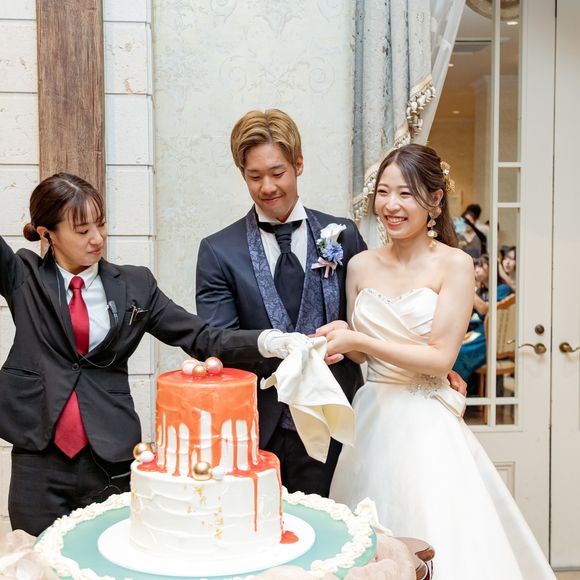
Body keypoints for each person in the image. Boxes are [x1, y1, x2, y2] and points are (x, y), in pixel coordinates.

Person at [0, 173, 305, 536]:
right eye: (82, 231)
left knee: (108, 555)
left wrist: (269, 341)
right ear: (47, 233)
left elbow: (202, 337)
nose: (97, 238)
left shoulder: (136, 285)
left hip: (110, 457)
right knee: (35, 559)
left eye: (100, 224)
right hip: (38, 460)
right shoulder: (24, 276)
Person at [321, 145, 554, 579]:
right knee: (368, 540)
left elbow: (439, 358)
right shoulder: (359, 265)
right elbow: (359, 353)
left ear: (434, 199)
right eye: (383, 192)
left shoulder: (455, 264)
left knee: (435, 530)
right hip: (370, 417)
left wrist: (360, 339)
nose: (391, 205)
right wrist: (339, 338)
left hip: (426, 422)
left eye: (406, 193)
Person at [195, 109, 367, 497]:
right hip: (257, 428)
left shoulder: (343, 235)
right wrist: (275, 345)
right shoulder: (219, 251)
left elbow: (373, 320)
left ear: (298, 164)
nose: (267, 186)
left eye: (277, 172)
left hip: (336, 420)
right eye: (254, 176)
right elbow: (218, 341)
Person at [453, 254, 513, 395]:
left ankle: (459, 391)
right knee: (453, 348)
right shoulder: (481, 291)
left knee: (460, 353)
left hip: (493, 336)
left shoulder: (503, 289)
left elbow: (485, 309)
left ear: (492, 268)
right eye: (475, 267)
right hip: (480, 332)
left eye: (481, 266)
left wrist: (469, 288)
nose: (477, 270)